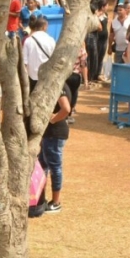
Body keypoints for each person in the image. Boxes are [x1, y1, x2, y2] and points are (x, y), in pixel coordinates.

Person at [40, 79, 72, 213]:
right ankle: (41, 199)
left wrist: (52, 119)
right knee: (43, 166)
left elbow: (66, 109)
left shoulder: (58, 85)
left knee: (54, 167)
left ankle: (56, 202)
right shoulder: (57, 83)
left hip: (55, 133)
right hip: (49, 133)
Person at [22, 15, 55, 90]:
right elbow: (54, 58)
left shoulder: (28, 40)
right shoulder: (51, 40)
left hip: (32, 77)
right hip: (47, 75)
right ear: (44, 27)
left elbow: (24, 62)